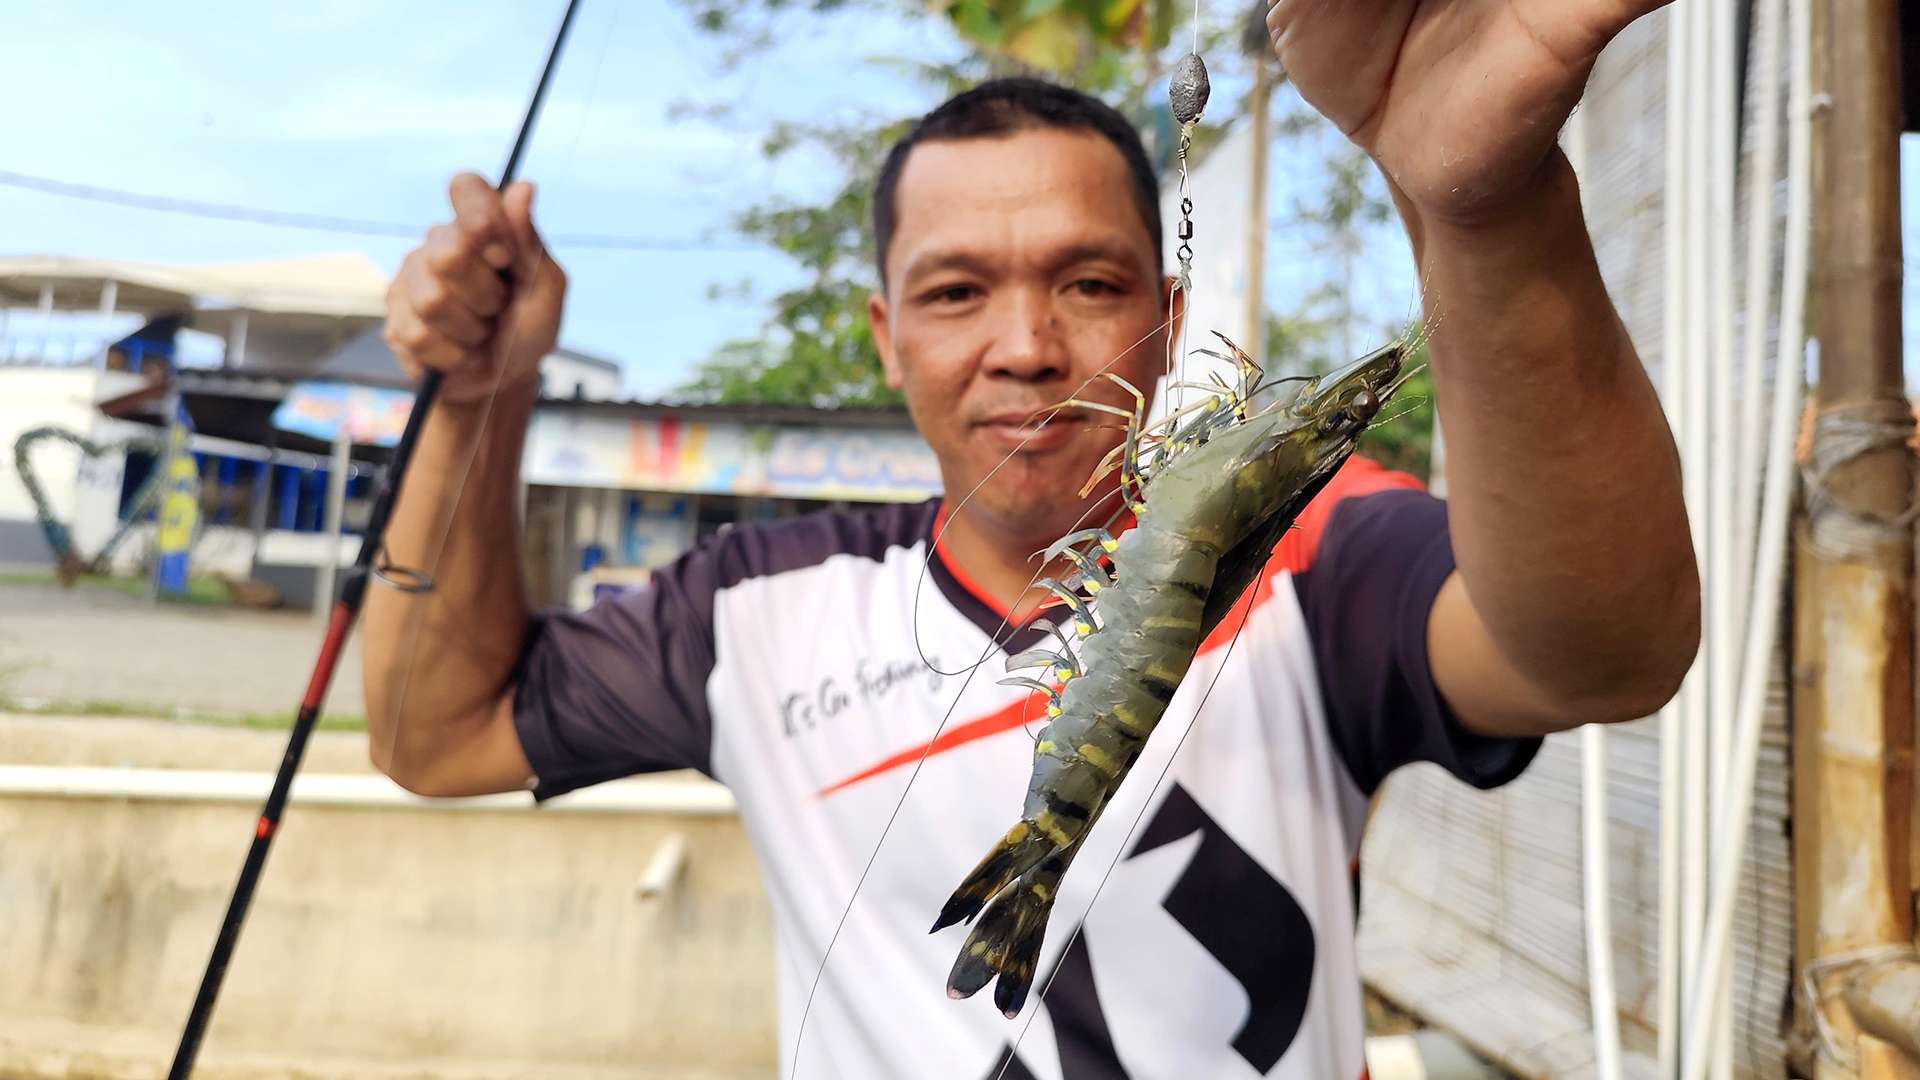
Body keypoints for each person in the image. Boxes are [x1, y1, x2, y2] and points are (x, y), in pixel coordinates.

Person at [364, 1, 1695, 1075]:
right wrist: (477, 401)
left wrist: (1486, 206)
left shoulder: (1323, 551)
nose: (1026, 347)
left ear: (1169, 323)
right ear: (886, 335)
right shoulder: (754, 609)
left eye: (1090, 281)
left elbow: (1603, 659)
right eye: (956, 292)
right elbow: (436, 735)